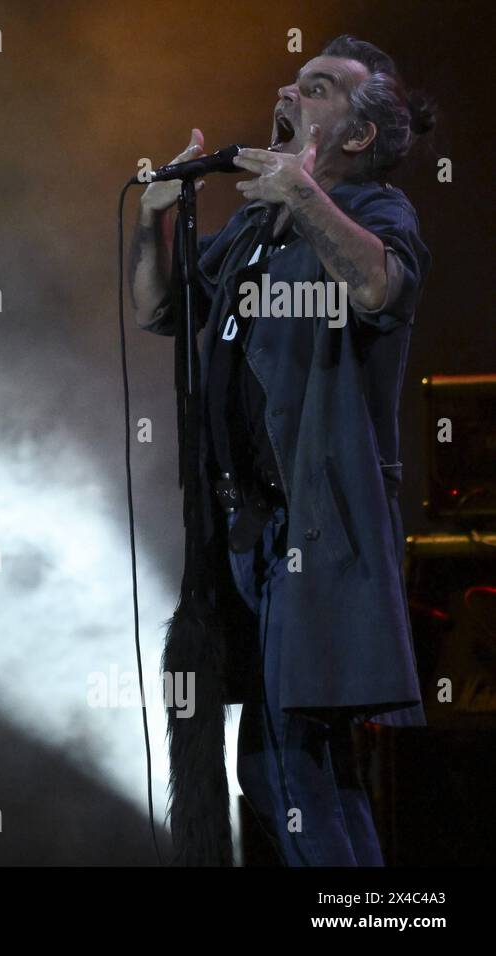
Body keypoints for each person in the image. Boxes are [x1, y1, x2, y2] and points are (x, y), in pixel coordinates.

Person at [129, 35, 436, 865]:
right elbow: (161, 311)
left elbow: (378, 287)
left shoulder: (376, 211)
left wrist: (304, 195)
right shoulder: (259, 223)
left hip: (318, 529)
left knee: (287, 767)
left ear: (359, 136)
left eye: (318, 88)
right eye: (295, 83)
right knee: (294, 771)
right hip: (244, 536)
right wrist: (153, 225)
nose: (287, 91)